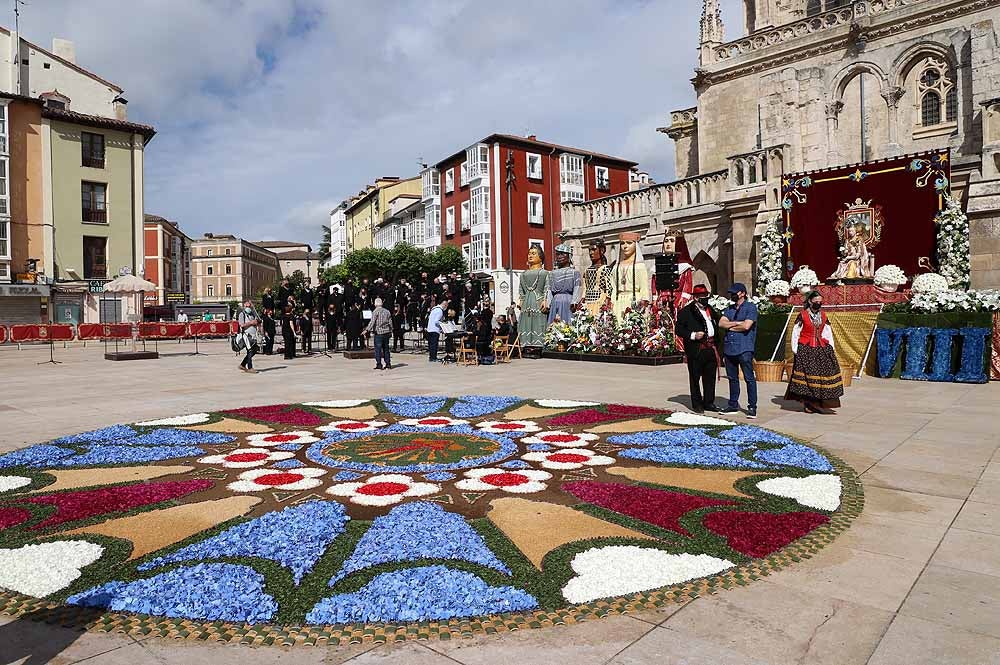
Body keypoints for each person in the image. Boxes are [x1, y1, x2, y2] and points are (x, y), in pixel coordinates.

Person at [786, 291, 844, 413]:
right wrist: (796, 349)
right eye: (816, 301)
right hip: (805, 349)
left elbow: (827, 331)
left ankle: (820, 402)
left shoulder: (823, 315)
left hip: (821, 347)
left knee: (824, 375)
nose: (818, 303)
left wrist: (831, 347)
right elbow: (796, 333)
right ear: (809, 301)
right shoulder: (802, 315)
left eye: (820, 302)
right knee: (808, 377)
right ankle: (808, 403)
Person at [675, 284, 721, 413]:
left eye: (706, 296)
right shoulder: (686, 311)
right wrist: (693, 335)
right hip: (696, 349)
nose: (705, 298)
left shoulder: (710, 309)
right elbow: (678, 330)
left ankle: (709, 402)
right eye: (702, 296)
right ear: (695, 298)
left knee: (710, 377)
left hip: (711, 348)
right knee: (695, 378)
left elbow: (718, 321)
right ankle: (697, 404)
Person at [718, 283, 759, 419]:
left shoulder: (750, 307)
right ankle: (733, 404)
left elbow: (747, 326)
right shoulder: (729, 309)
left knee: (749, 379)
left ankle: (752, 406)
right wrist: (737, 323)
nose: (732, 295)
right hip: (729, 348)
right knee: (732, 378)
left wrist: (731, 325)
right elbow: (721, 323)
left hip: (744, 348)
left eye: (734, 293)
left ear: (742, 293)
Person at [611, 231, 650, 320]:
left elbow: (644, 287)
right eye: (622, 243)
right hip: (618, 302)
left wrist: (644, 302)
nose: (625, 246)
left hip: (634, 300)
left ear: (635, 245)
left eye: (629, 243)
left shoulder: (639, 266)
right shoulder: (616, 266)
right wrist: (612, 301)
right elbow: (614, 287)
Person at [518, 243, 549, 352]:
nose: (530, 256)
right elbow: (521, 289)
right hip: (526, 302)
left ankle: (539, 344)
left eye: (534, 253)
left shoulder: (545, 273)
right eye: (529, 253)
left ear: (540, 257)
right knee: (526, 321)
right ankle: (525, 343)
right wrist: (521, 300)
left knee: (538, 322)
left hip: (538, 300)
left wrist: (546, 300)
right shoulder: (523, 274)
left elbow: (547, 287)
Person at [547, 243, 582, 325]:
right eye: (558, 254)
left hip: (568, 303)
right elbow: (549, 290)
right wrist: (548, 304)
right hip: (555, 303)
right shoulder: (552, 273)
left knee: (568, 327)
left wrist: (574, 301)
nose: (559, 256)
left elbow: (577, 288)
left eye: (562, 254)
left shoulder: (574, 273)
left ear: (569, 256)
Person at [582, 239, 613, 316]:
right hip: (588, 302)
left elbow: (609, 288)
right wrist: (582, 298)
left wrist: (607, 301)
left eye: (594, 249)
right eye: (589, 250)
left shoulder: (606, 269)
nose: (591, 253)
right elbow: (585, 287)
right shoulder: (587, 270)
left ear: (601, 250)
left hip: (601, 301)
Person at [364, 297, 393, 370]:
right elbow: (390, 322)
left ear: (375, 304)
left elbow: (372, 322)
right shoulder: (387, 311)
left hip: (378, 333)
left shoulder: (375, 311)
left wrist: (367, 330)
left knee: (378, 349)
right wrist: (391, 330)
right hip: (386, 332)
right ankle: (388, 363)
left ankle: (379, 364)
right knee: (386, 349)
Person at [237, 300, 260, 373]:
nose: (248, 308)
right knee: (250, 350)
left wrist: (256, 323)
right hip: (246, 335)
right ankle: (250, 367)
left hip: (253, 335)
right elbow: (241, 325)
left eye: (249, 306)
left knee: (255, 350)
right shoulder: (242, 314)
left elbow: (257, 321)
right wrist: (251, 323)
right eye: (247, 306)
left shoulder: (253, 314)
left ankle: (243, 364)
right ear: (244, 307)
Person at [427, 297, 448, 362]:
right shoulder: (440, 311)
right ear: (444, 304)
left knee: (431, 344)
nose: (446, 307)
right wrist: (442, 325)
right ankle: (433, 357)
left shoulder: (434, 309)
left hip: (429, 328)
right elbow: (436, 321)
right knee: (434, 344)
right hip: (435, 329)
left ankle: (431, 357)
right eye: (446, 305)